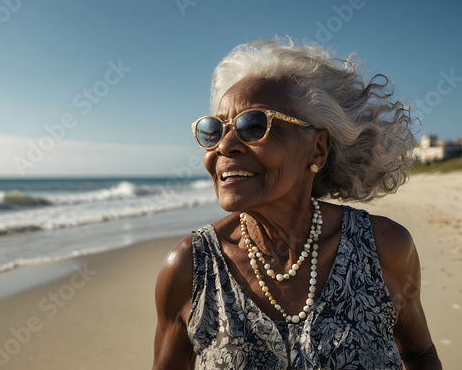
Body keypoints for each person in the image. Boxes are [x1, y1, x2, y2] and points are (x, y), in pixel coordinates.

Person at [153, 39, 442, 369]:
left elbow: (419, 354)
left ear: (317, 148)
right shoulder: (189, 268)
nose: (225, 145)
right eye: (214, 130)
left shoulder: (385, 248)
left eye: (253, 125)